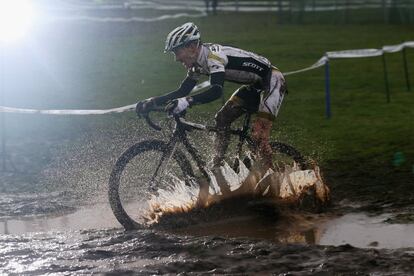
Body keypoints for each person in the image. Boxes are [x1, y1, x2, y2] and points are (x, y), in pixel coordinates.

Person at [136, 22, 287, 171]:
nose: (176, 58)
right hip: (255, 86)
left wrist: (187, 101)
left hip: (272, 81)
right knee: (221, 119)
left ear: (191, 47)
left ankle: (272, 174)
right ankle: (218, 166)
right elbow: (182, 91)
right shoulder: (197, 62)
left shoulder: (213, 57)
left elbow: (216, 91)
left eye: (177, 52)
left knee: (259, 134)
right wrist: (152, 102)